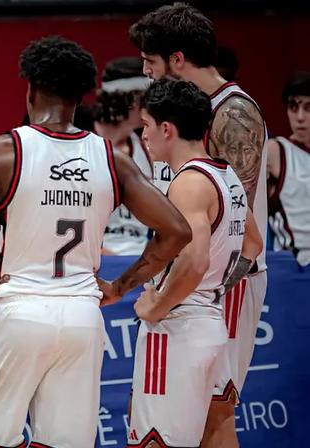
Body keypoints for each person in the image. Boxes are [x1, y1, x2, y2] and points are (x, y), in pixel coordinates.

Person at [0, 36, 191, 448]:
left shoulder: (4, 151)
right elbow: (177, 231)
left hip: (18, 312)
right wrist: (120, 287)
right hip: (82, 320)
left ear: (30, 89)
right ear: (80, 95)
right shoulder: (112, 159)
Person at [129, 5, 268, 445]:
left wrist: (199, 293)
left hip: (221, 279)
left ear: (176, 59)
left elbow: (237, 227)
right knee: (204, 416)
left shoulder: (232, 114)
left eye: (150, 62)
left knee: (214, 412)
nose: (146, 72)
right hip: (194, 278)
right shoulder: (182, 115)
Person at [93, 57, 155, 255]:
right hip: (93, 259)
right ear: (133, 100)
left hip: (142, 260)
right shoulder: (80, 141)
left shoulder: (148, 145)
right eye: (149, 98)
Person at [267, 72, 310, 267]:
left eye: (309, 108)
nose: (300, 117)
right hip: (294, 266)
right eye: (294, 107)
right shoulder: (276, 151)